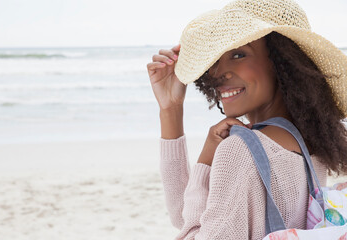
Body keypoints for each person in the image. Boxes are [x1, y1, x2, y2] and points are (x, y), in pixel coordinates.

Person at [146, 0, 347, 239]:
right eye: (215, 61)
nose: (218, 73)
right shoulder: (310, 145)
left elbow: (191, 228)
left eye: (238, 55)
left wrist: (208, 157)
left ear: (282, 62)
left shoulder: (240, 151)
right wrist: (171, 109)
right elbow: (187, 217)